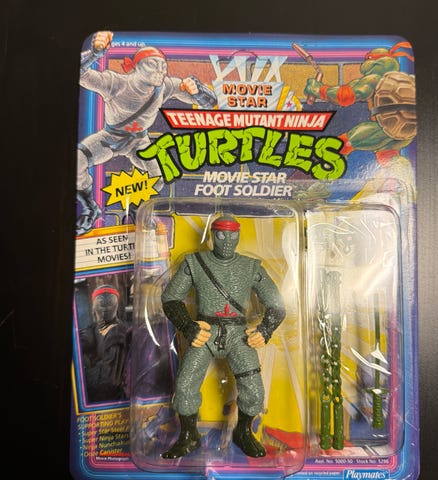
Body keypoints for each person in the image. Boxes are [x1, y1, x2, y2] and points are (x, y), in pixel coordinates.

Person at [160, 215, 286, 458]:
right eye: (220, 234)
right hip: (205, 332)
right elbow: (170, 298)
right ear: (212, 235)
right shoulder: (194, 263)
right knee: (185, 385)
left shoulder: (250, 267)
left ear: (239, 235)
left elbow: (277, 304)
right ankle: (189, 435)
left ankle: (243, 431)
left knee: (254, 391)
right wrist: (187, 326)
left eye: (232, 234)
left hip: (238, 334)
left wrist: (265, 330)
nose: (227, 241)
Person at [77, 31, 217, 235]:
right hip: (110, 138)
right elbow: (80, 73)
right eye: (154, 64)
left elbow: (210, 104)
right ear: (137, 66)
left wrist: (198, 91)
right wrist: (95, 53)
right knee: (78, 161)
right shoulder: (116, 83)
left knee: (160, 175)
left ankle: (138, 209)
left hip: (139, 141)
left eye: (163, 66)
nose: (160, 71)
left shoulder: (165, 86)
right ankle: (90, 208)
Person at [80, 285, 128, 402]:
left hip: (110, 397)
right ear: (93, 307)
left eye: (110, 303)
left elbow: (111, 379)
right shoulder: (93, 329)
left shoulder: (116, 333)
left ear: (117, 306)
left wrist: (85, 372)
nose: (105, 308)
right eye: (101, 304)